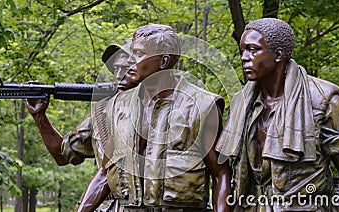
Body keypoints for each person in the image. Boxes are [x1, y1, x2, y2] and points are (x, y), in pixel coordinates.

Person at [216, 18, 339, 211]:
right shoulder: (241, 103)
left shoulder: (324, 99)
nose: (244, 57)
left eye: (253, 50)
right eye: (243, 50)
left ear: (278, 54)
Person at [81, 23, 231, 212]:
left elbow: (221, 174)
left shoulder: (202, 107)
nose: (130, 61)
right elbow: (104, 172)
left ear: (163, 61)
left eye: (139, 54)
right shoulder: (118, 105)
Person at [26, 39, 138, 211]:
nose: (118, 75)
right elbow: (63, 155)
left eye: (127, 68)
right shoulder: (102, 113)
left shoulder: (168, 110)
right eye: (115, 68)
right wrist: (40, 116)